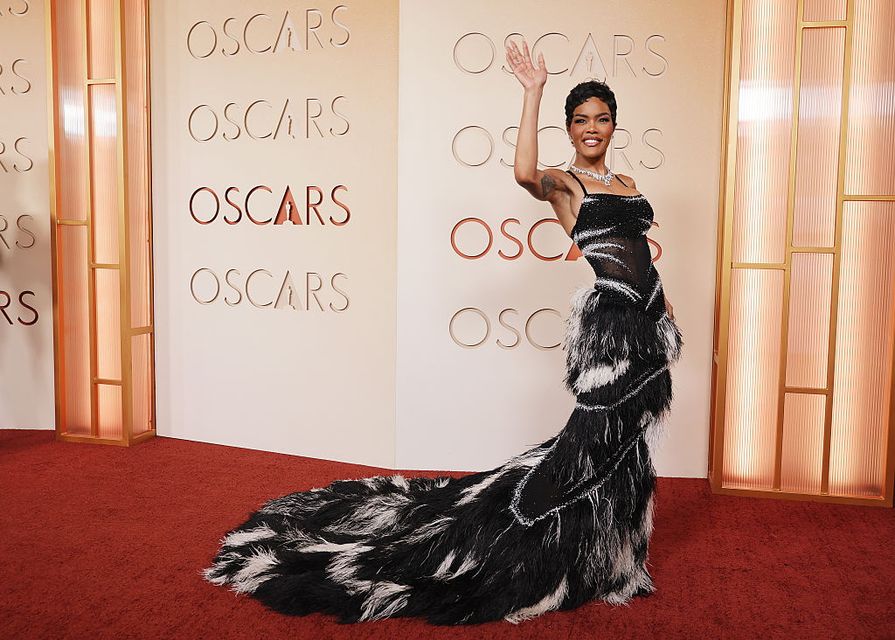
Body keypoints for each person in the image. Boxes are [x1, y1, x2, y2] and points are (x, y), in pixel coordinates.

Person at [203, 38, 683, 626]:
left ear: (613, 125)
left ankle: (615, 554)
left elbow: (639, 250)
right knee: (593, 441)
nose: (591, 128)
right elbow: (523, 173)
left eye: (601, 119)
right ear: (568, 127)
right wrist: (532, 92)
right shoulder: (564, 183)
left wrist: (662, 307)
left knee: (632, 439)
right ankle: (551, 546)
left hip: (649, 320)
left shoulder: (627, 181)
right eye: (581, 120)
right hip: (611, 327)